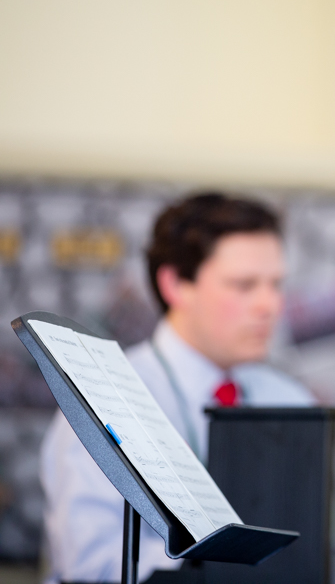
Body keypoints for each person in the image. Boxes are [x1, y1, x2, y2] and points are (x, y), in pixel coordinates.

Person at [40, 193, 315, 584]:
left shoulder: (290, 400)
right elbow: (88, 562)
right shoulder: (102, 398)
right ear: (174, 284)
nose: (269, 305)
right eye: (244, 285)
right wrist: (223, 567)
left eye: (276, 284)